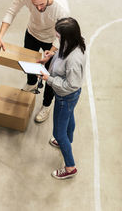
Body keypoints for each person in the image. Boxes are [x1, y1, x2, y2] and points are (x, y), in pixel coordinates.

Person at [0, 0, 70, 123]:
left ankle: (46, 105)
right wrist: (0, 36)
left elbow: (62, 35)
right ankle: (31, 83)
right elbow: (11, 12)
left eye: (42, 4)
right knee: (29, 64)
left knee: (49, 75)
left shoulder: (62, 8)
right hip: (32, 33)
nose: (39, 8)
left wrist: (52, 52)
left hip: (52, 39)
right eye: (35, 5)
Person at [40, 17, 86, 179]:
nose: (57, 39)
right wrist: (51, 55)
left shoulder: (74, 60)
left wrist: (49, 79)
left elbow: (71, 85)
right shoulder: (73, 42)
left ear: (68, 36)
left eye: (59, 37)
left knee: (59, 132)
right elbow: (61, 52)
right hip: (68, 99)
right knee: (68, 116)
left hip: (65, 96)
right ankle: (66, 140)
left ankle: (70, 167)